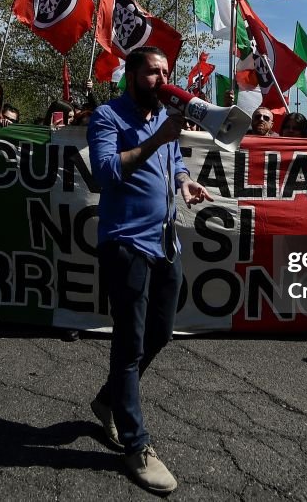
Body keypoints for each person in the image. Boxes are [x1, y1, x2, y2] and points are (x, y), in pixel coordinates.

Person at [87, 46, 213, 494]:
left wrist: (184, 181)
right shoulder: (108, 116)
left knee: (160, 332)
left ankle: (109, 402)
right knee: (130, 342)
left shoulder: (165, 116)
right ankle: (136, 444)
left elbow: (174, 162)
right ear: (132, 75)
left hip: (164, 242)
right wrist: (159, 140)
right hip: (126, 244)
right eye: (153, 72)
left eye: (166, 72)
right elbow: (104, 172)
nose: (162, 79)